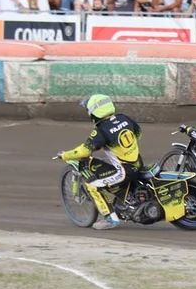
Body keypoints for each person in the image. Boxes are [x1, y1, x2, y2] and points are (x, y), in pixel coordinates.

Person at [56, 94, 144, 231]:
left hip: (124, 172)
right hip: (138, 163)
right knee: (99, 163)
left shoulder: (101, 131)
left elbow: (84, 151)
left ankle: (111, 219)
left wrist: (65, 155)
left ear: (94, 113)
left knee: (93, 185)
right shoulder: (124, 118)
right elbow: (138, 133)